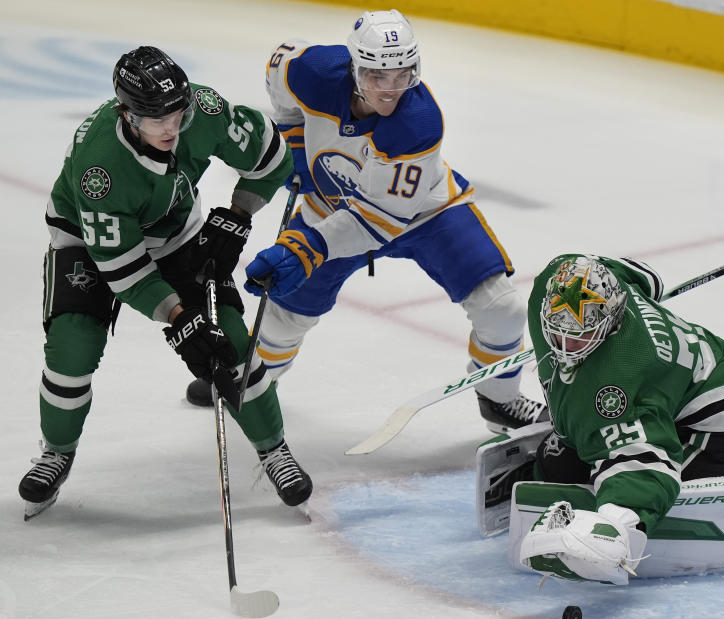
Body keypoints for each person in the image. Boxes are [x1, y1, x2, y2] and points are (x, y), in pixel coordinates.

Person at [183, 10, 548, 433]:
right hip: (331, 209)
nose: (390, 90)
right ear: (354, 68)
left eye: (402, 75)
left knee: (501, 306)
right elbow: (277, 68)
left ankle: (500, 400)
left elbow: (377, 221)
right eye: (377, 76)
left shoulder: (418, 124)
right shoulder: (316, 72)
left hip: (425, 213)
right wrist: (293, 134)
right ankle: (255, 382)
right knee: (283, 318)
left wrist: (306, 248)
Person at [18, 46, 312, 520]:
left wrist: (237, 217)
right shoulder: (100, 170)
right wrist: (181, 318)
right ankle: (56, 451)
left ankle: (273, 450)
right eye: (157, 121)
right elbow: (123, 269)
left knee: (233, 343)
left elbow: (273, 157)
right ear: (126, 115)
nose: (172, 128)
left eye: (177, 113)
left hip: (174, 230)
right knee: (73, 346)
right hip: (87, 242)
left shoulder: (204, 110)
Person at [503, 253, 724, 584]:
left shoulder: (618, 383)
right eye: (557, 330)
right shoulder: (556, 279)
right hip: (668, 387)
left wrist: (615, 523)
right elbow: (638, 276)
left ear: (611, 320)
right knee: (557, 463)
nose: (565, 344)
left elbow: (643, 464)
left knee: (621, 489)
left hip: (712, 425)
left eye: (580, 334)